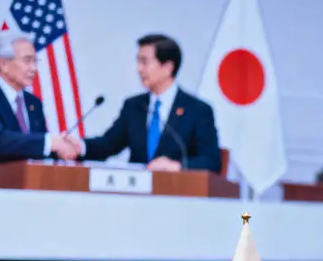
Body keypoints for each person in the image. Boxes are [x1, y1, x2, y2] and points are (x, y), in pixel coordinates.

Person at [70, 34, 220, 172]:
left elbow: (210, 160)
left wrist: (176, 166)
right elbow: (109, 144)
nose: (139, 69)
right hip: (137, 198)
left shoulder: (198, 110)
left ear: (167, 67)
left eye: (144, 62)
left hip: (179, 194)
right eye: (138, 62)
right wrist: (80, 147)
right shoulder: (133, 106)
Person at [0, 31, 77, 169]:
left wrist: (62, 149)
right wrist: (50, 142)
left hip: (28, 181)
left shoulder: (33, 102)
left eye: (35, 61)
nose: (34, 68)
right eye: (27, 61)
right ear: (3, 64)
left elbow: (36, 147)